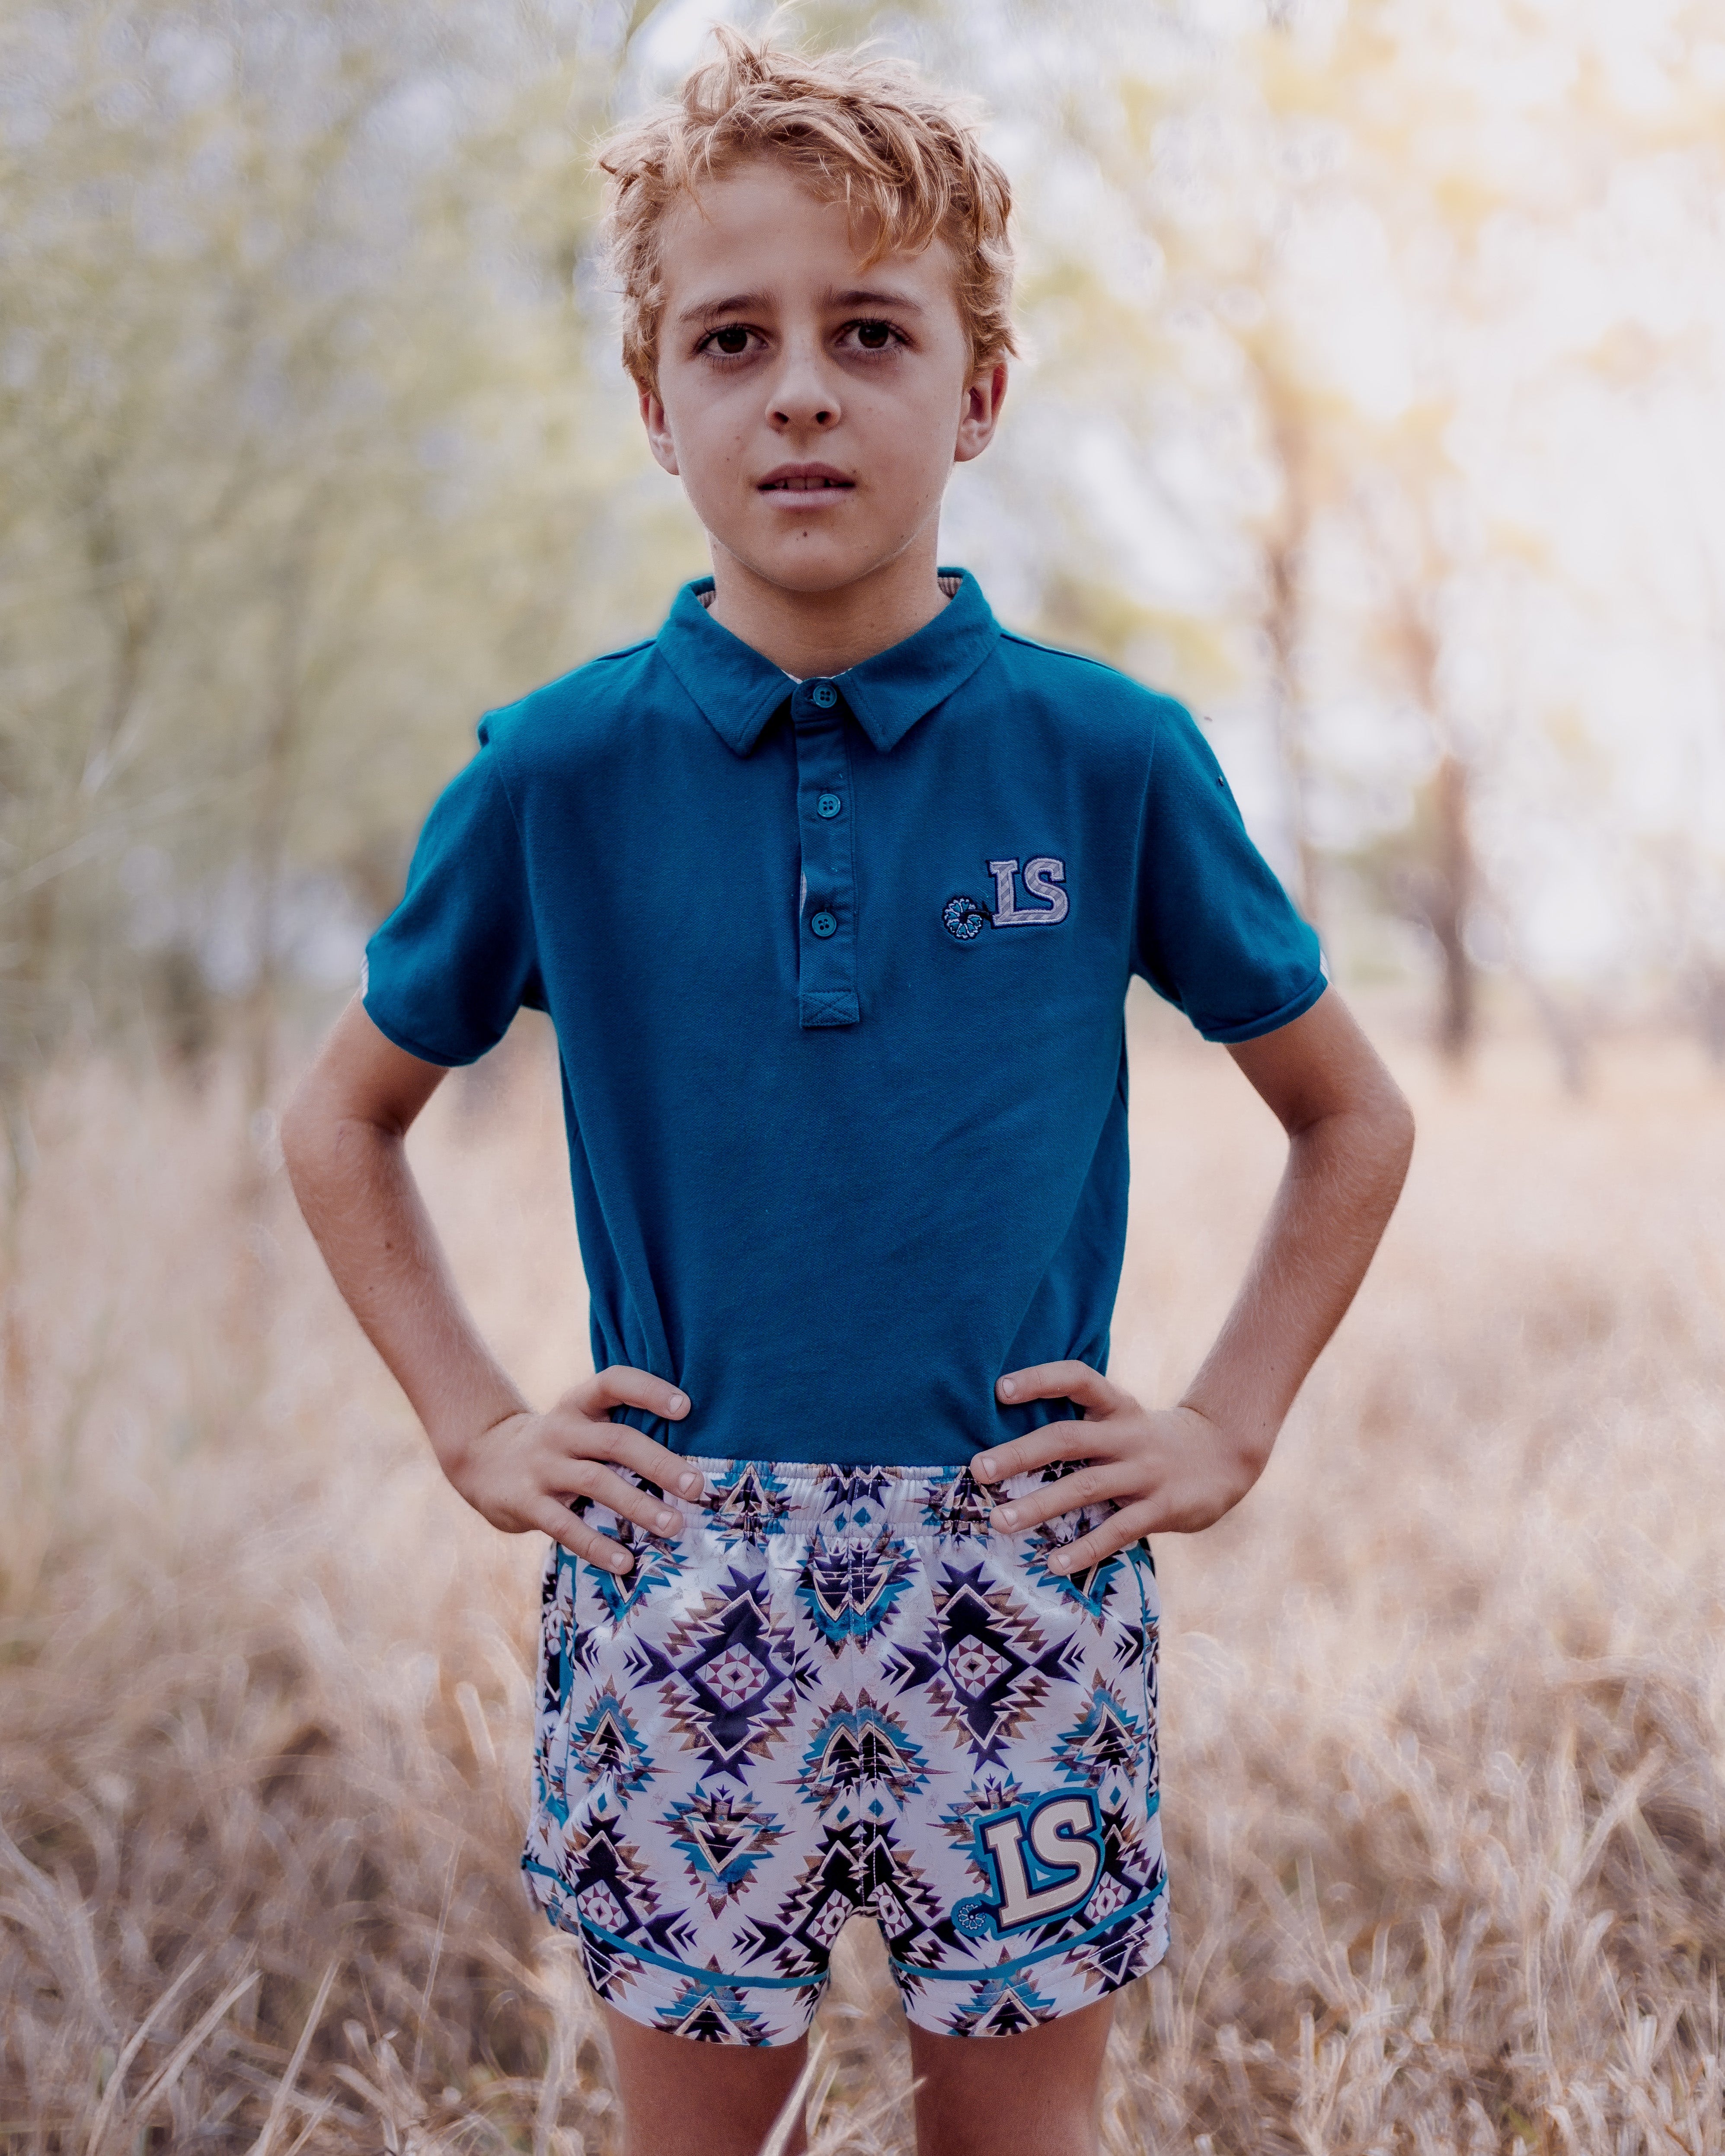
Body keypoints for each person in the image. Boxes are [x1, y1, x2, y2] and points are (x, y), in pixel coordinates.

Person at [282, 29, 1414, 2156]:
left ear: (975, 390)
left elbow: (1349, 1112)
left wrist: (1225, 1420)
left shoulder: (1106, 756)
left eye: (869, 332)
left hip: (1023, 1569)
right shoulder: (554, 771)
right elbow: (338, 1118)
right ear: (655, 405)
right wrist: (476, 1423)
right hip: (676, 1576)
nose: (798, 388)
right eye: (732, 337)